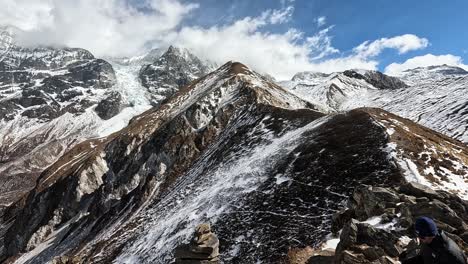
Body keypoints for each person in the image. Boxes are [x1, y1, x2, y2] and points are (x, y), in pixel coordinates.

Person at [402, 216, 467, 264]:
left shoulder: (448, 254)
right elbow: (425, 257)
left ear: (430, 235)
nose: (420, 238)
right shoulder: (430, 241)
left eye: (422, 237)